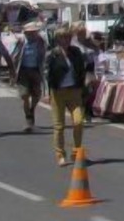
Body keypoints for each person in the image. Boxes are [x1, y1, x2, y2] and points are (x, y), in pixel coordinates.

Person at [46, 25, 88, 166]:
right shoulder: (52, 54)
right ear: (58, 39)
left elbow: (82, 70)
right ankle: (60, 154)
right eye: (64, 37)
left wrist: (82, 88)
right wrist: (49, 91)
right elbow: (47, 73)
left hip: (74, 91)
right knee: (59, 126)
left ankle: (76, 151)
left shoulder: (76, 52)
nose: (67, 40)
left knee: (78, 121)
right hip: (58, 92)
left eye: (69, 37)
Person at [14, 21, 48, 132]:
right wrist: (12, 71)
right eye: (29, 32)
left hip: (36, 70)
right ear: (25, 33)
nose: (31, 34)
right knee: (24, 95)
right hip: (23, 70)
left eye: (34, 32)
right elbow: (14, 55)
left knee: (37, 94)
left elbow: (44, 56)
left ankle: (31, 109)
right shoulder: (21, 41)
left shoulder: (40, 41)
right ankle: (28, 117)